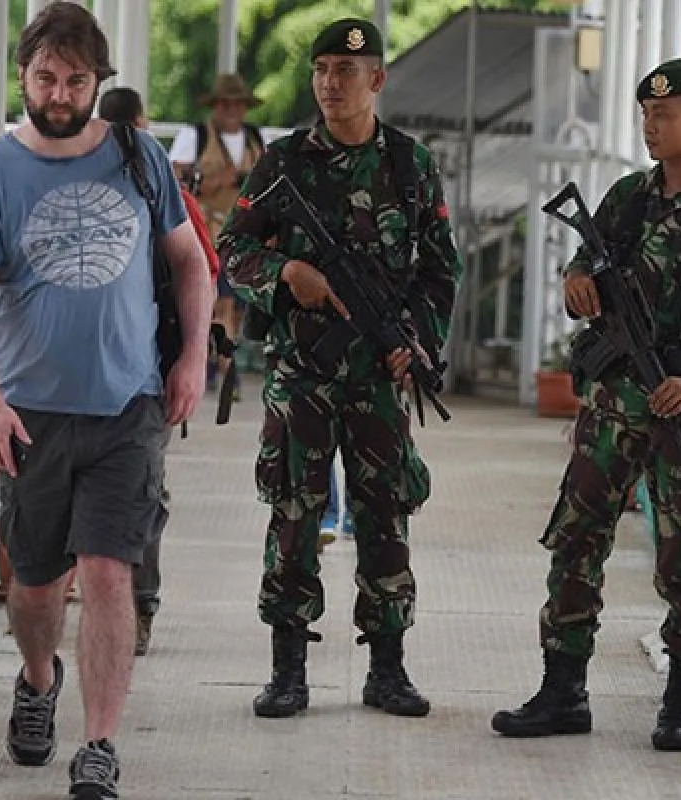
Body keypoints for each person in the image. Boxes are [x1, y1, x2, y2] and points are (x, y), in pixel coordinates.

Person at [0, 4, 212, 798]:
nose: (59, 94)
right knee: (34, 582)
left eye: (76, 80)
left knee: (108, 573)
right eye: (46, 78)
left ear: (99, 82)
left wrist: (192, 357)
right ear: (23, 77)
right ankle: (37, 678)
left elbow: (191, 263)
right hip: (32, 414)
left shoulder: (138, 156)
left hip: (129, 404)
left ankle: (99, 744)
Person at [490, 57, 681, 752]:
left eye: (664, 114)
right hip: (614, 398)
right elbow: (584, 261)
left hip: (679, 403)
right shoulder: (626, 197)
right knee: (577, 537)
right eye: (645, 113)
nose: (650, 126)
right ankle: (563, 692)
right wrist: (577, 280)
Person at [218, 17, 463, 721]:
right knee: (294, 512)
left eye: (346, 71)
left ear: (376, 79)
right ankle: (287, 669)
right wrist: (285, 273)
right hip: (302, 371)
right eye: (322, 70)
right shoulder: (283, 162)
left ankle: (387, 668)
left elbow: (439, 270)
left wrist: (415, 342)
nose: (331, 83)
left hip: (378, 375)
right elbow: (232, 248)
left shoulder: (410, 165)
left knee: (385, 512)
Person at [97, 85, 218, 657]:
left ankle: (125, 606)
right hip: (154, 370)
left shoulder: (80, 185)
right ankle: (137, 609)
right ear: (144, 125)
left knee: (127, 492)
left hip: (126, 373)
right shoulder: (165, 188)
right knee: (143, 492)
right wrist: (193, 355)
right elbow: (207, 268)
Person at [168, 73, 266, 396]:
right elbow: (175, 182)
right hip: (206, 234)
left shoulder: (256, 139)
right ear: (215, 106)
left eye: (237, 104)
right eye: (225, 104)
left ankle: (216, 363)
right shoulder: (194, 137)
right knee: (218, 303)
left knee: (233, 308)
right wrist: (216, 180)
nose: (231, 110)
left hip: (244, 235)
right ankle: (225, 370)